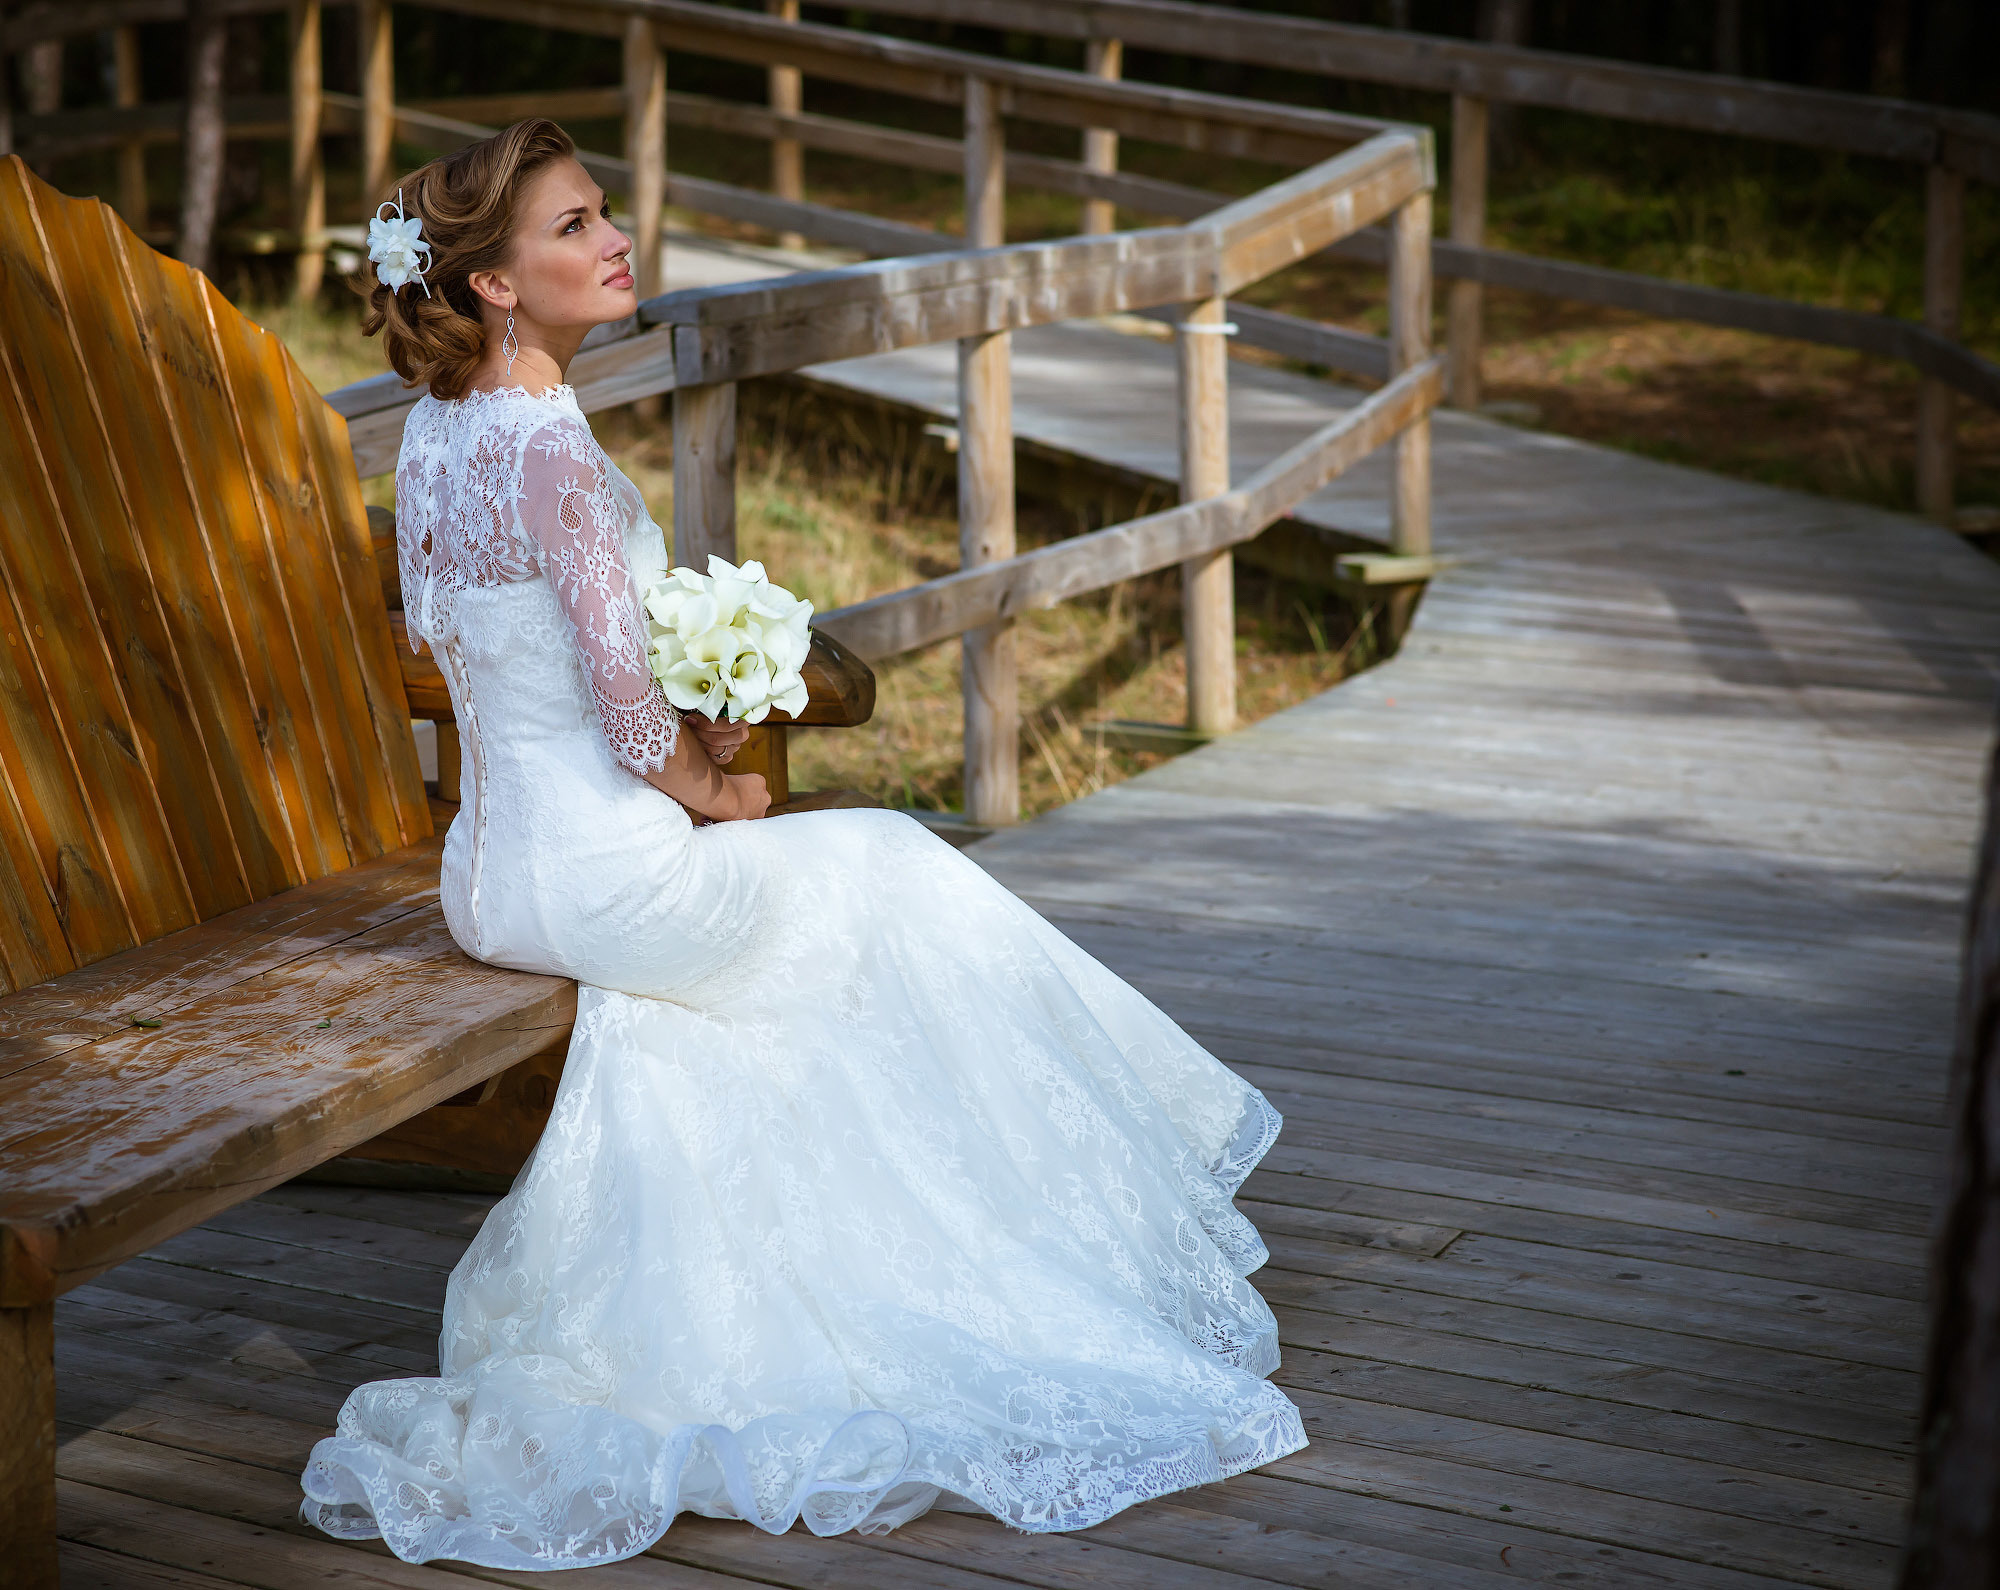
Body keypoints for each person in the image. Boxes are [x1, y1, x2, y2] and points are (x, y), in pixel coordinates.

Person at [299, 117, 1306, 1572]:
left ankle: (849, 1257)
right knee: (893, 868)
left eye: (605, 212)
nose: (615, 240)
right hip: (605, 875)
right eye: (575, 225)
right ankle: (996, 1252)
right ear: (496, 284)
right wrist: (715, 797)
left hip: (492, 880)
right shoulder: (551, 451)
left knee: (763, 977)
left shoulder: (441, 436)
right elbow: (625, 717)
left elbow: (512, 672)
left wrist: (690, 742)